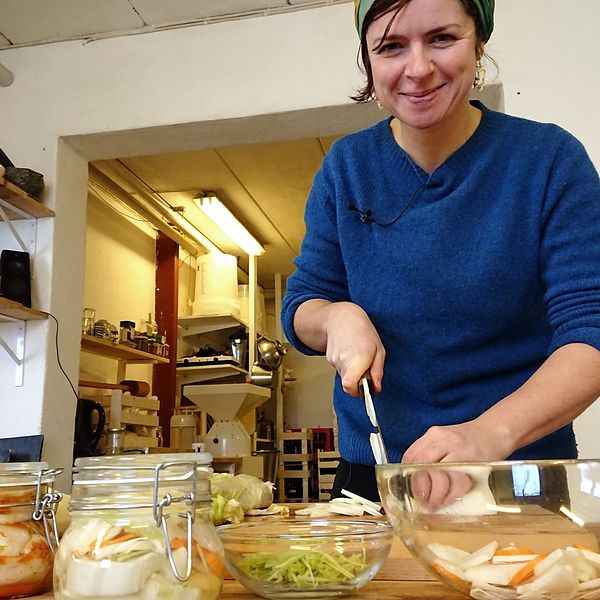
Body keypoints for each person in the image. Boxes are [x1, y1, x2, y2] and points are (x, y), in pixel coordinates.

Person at [280, 0, 600, 501]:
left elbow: (590, 331)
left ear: (479, 42)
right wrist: (336, 316)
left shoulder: (549, 161)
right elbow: (302, 305)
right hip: (377, 475)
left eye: (442, 38)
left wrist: (489, 433)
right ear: (369, 60)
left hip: (519, 473)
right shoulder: (347, 167)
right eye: (391, 47)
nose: (418, 68)